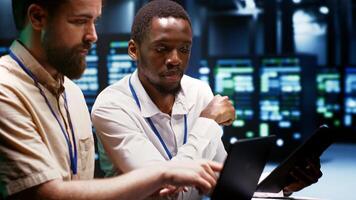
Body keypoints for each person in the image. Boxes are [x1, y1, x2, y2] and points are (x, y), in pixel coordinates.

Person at [91, 0, 323, 199]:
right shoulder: (112, 106)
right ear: (134, 50)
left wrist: (281, 185)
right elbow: (164, 187)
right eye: (162, 48)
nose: (175, 59)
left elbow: (219, 178)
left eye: (184, 49)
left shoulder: (199, 91)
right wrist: (207, 122)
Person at [0, 0, 224, 199]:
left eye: (95, 21)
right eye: (80, 21)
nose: (93, 36)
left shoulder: (72, 93)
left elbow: (79, 185)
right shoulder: (5, 89)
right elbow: (44, 194)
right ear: (38, 17)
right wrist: (164, 172)